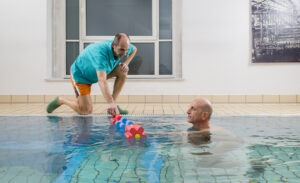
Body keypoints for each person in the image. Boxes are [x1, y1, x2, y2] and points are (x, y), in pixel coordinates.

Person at [47, 33, 137, 115]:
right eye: (122, 50)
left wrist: (126, 63)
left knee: (122, 71)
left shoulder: (124, 47)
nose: (125, 53)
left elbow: (134, 49)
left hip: (95, 74)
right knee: (85, 111)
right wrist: (109, 102)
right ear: (114, 45)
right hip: (81, 76)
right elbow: (102, 80)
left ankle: (114, 106)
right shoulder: (100, 54)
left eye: (126, 50)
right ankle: (61, 100)